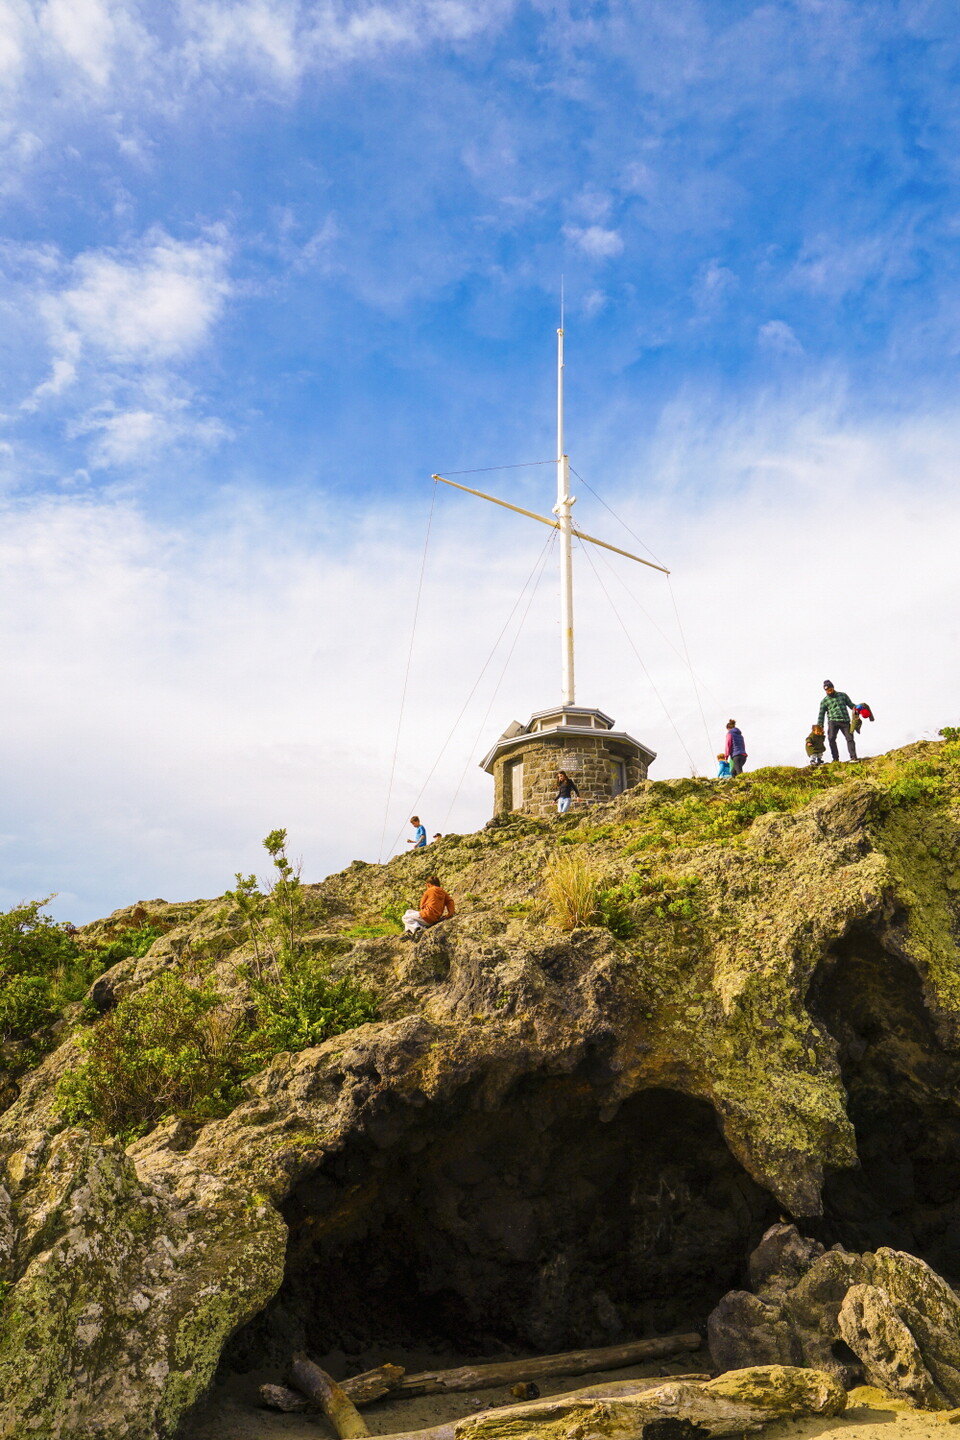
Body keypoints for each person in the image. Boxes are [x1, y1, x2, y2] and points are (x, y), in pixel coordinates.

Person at [817, 681, 858, 762]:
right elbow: (821, 715)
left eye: (830, 689)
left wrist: (858, 708)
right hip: (833, 722)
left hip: (845, 721)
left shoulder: (843, 695)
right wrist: (820, 726)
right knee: (831, 738)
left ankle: (853, 757)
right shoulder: (824, 701)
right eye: (827, 690)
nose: (829, 691)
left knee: (850, 738)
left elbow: (851, 705)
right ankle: (835, 759)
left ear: (833, 687)